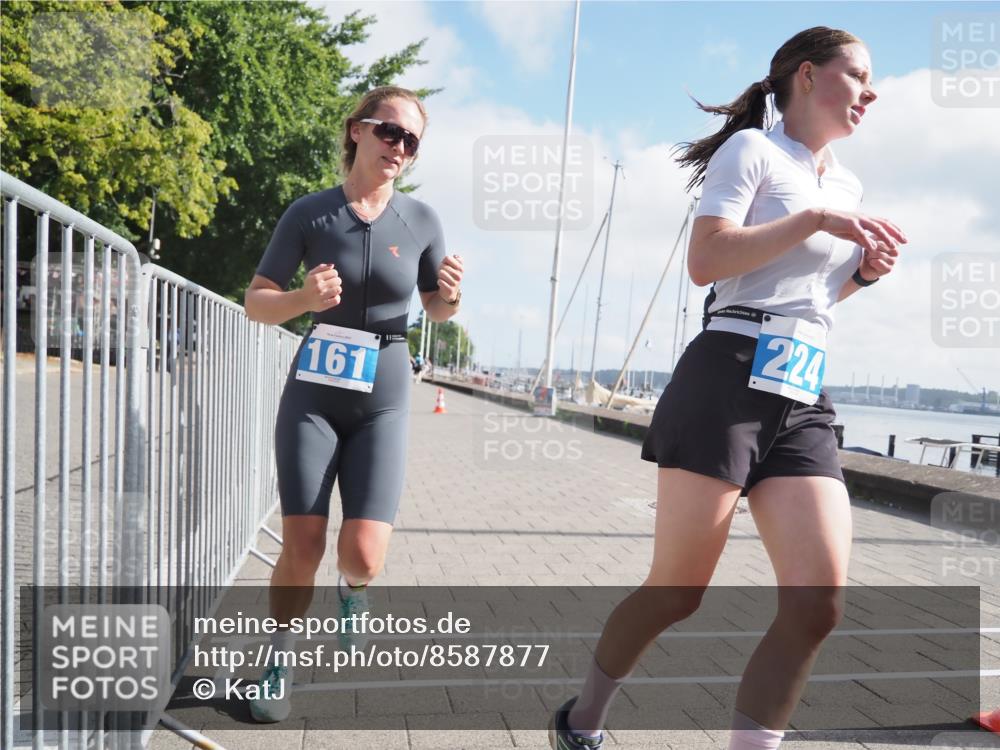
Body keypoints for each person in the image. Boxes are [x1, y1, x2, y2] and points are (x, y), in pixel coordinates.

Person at [549, 27, 905, 750]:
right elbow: (707, 262)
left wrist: (860, 275)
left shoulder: (849, 184)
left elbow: (810, 296)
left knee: (819, 605)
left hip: (803, 388)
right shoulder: (753, 152)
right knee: (679, 592)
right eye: (859, 75)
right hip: (727, 379)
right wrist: (812, 218)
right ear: (807, 76)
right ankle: (581, 719)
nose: (872, 92)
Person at [243, 85, 464, 723]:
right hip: (314, 393)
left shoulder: (421, 220)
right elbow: (257, 300)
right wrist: (301, 300)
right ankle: (277, 661)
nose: (399, 147)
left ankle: (352, 591)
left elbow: (437, 307)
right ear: (357, 131)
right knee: (303, 544)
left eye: (412, 141)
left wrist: (452, 296)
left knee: (363, 554)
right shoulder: (309, 213)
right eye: (389, 132)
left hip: (386, 392)